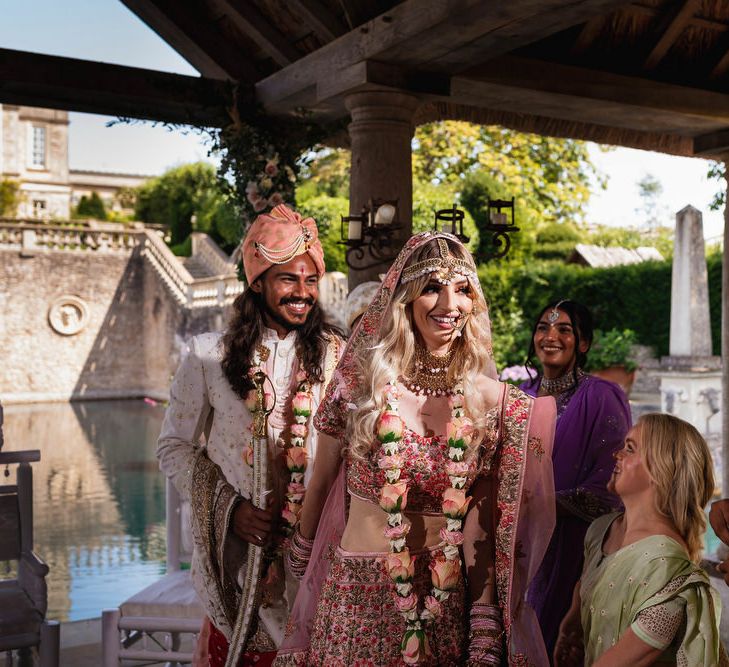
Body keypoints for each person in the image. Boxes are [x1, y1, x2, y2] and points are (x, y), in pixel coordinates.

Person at [276, 231, 557, 666]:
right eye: (431, 288)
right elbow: (324, 476)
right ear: (404, 299)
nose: (450, 305)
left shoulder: (489, 403)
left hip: (442, 599)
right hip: (357, 595)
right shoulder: (360, 385)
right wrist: (302, 546)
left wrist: (483, 617)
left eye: (463, 290)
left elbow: (478, 520)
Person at [157, 204, 344, 667]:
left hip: (317, 553)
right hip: (240, 562)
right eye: (288, 280)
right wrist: (230, 509)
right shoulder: (207, 357)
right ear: (257, 282)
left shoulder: (338, 357)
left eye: (310, 281)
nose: (302, 293)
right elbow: (173, 447)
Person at [554, 413, 722, 667]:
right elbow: (588, 582)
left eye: (629, 449)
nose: (616, 454)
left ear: (661, 469)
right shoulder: (601, 530)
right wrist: (573, 622)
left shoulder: (668, 568)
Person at [520, 300, 631, 657]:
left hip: (575, 549)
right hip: (521, 546)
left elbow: (611, 488)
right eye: (543, 328)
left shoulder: (601, 397)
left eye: (564, 329)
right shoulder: (520, 397)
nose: (550, 336)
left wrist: (543, 503)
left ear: (582, 343)